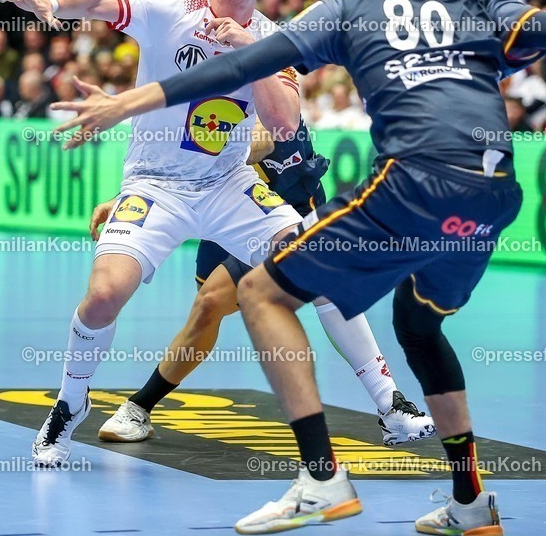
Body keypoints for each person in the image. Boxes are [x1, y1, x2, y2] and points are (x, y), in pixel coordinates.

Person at [49, 0, 546, 536]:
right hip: (496, 192)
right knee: (419, 324)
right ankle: (470, 499)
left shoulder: (348, 8)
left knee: (260, 292)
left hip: (413, 183)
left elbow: (240, 69)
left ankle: (322, 477)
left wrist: (129, 101)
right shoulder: (483, 4)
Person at [0, 0, 434, 469]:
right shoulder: (166, 9)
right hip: (156, 185)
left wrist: (255, 51)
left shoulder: (277, 39)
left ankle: (390, 405)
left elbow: (284, 122)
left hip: (229, 184)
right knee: (106, 293)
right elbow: (101, 1)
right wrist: (51, 1)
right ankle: (70, 402)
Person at [93, 117, 435, 447]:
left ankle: (392, 406)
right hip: (223, 205)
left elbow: (266, 136)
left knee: (324, 282)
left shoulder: (273, 67)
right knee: (208, 308)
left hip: (284, 207)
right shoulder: (197, 63)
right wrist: (131, 195)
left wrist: (211, 155)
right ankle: (139, 408)